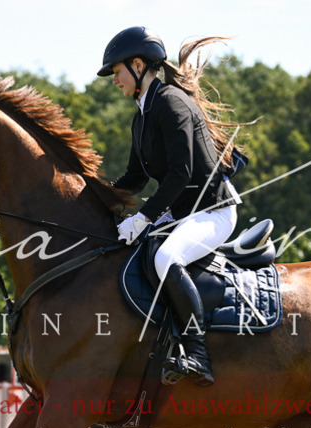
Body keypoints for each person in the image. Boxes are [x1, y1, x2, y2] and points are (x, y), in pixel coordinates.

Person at [99, 27, 247, 387]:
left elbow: (180, 174)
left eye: (116, 72)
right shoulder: (142, 116)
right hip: (182, 211)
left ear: (137, 65)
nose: (114, 81)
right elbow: (134, 178)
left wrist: (144, 217)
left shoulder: (170, 102)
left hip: (212, 210)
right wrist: (91, 194)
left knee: (166, 259)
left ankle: (197, 352)